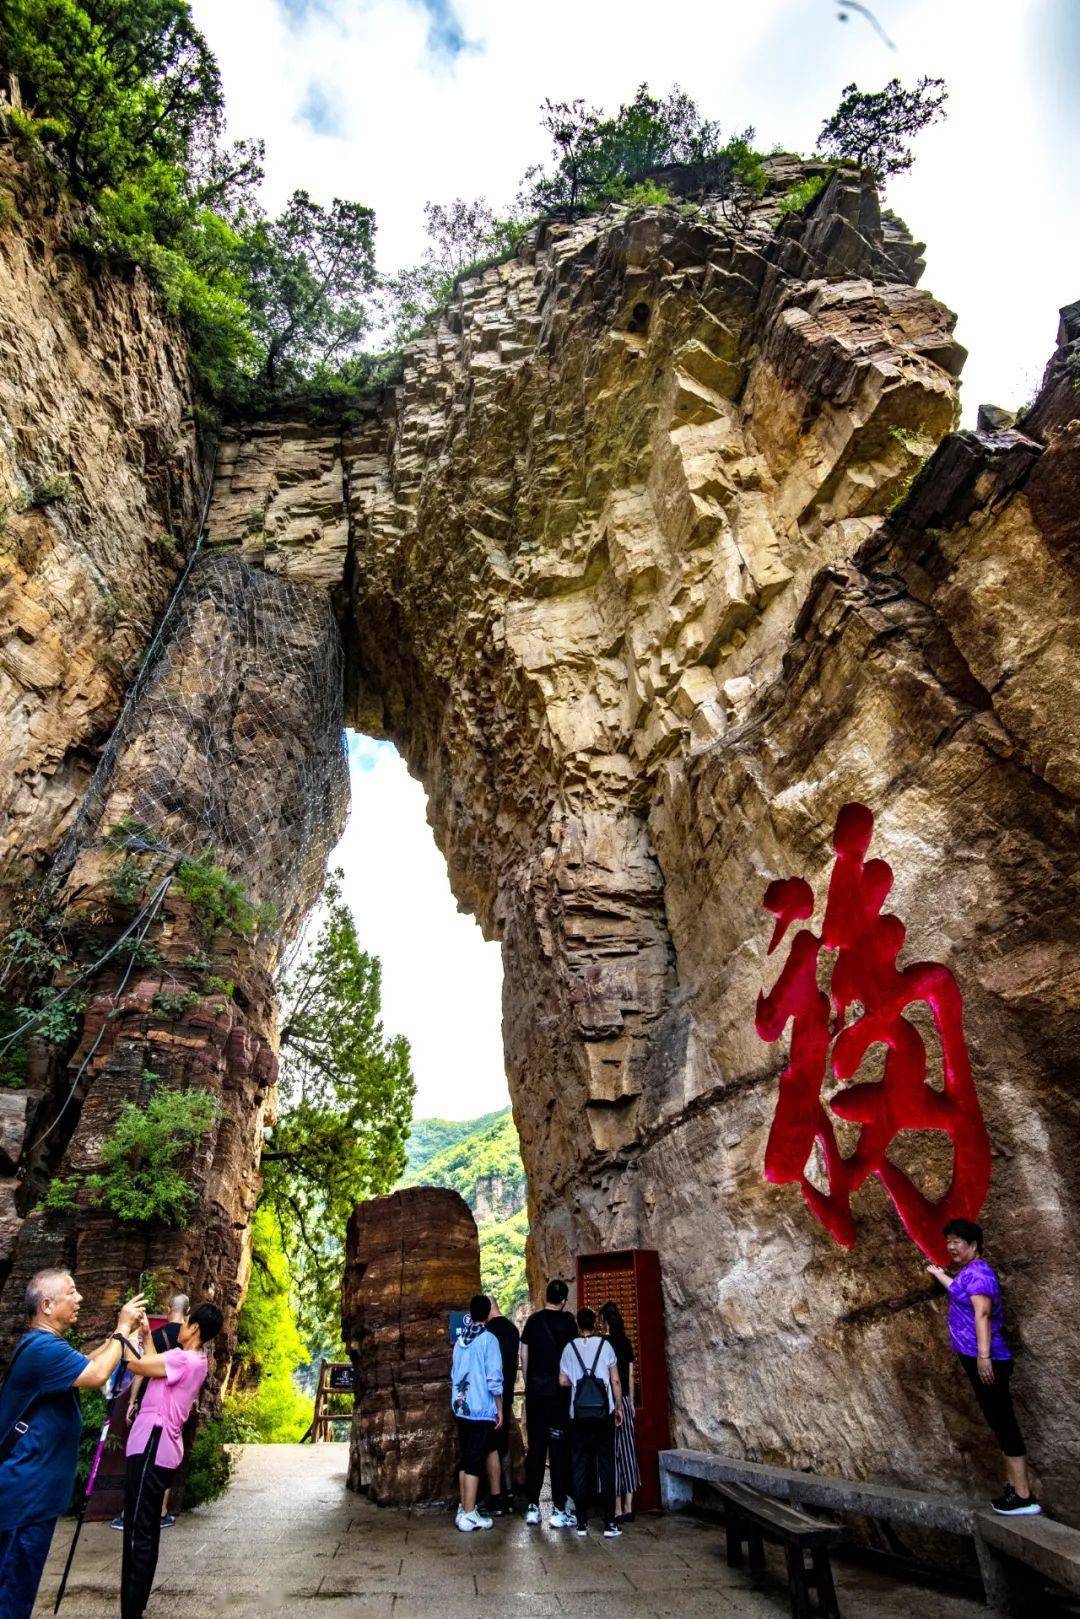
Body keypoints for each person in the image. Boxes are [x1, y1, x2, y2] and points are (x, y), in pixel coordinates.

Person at [0, 1270, 147, 1619]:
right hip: (26, 1496)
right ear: (48, 1305)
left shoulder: (46, 1346)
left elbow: (91, 1362)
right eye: (72, 1292)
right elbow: (97, 1376)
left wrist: (122, 1336)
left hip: (33, 1493)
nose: (79, 1298)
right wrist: (122, 1329)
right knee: (12, 1592)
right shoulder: (42, 1349)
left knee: (17, 1585)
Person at [926, 1218, 1040, 1516]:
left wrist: (984, 1355)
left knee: (1004, 1423)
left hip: (990, 1361)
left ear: (973, 1245)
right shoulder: (969, 1273)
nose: (951, 1246)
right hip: (979, 1358)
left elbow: (983, 1314)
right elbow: (961, 1295)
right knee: (997, 1421)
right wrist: (940, 1276)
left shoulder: (980, 1274)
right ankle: (1014, 1488)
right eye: (948, 1241)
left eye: (957, 1241)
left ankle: (1024, 1496)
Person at [120, 1299, 224, 1619]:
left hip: (153, 1442)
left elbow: (137, 1365)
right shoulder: (194, 1360)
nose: (180, 1326)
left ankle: (131, 1609)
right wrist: (145, 1333)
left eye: (185, 1322)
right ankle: (135, 1604)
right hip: (162, 1446)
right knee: (146, 1526)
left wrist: (123, 1332)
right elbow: (152, 1360)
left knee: (138, 1528)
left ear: (193, 1329)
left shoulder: (184, 1360)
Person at [111, 1293, 190, 1530]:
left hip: (151, 1403)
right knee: (165, 1457)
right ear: (187, 1312)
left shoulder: (156, 1335)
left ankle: (130, 1512)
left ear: (168, 1309)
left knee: (141, 1455)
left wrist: (132, 1401)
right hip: (176, 1406)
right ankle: (162, 1510)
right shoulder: (188, 1341)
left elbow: (140, 1370)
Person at [559, 1305, 623, 1539]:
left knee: (580, 1465)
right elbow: (615, 1379)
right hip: (603, 1413)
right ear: (595, 1324)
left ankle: (582, 1522)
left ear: (578, 1325)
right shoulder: (605, 1346)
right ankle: (609, 1522)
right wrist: (618, 1407)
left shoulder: (568, 1348)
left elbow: (562, 1381)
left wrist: (578, 1383)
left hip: (578, 1415)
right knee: (606, 1466)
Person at [520, 1278, 576, 1528]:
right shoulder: (569, 1323)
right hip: (559, 1395)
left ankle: (532, 1506)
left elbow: (524, 1354)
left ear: (546, 1297)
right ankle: (559, 1507)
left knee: (536, 1448)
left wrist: (530, 1380)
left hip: (536, 1393)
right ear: (563, 1300)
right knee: (558, 1450)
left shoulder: (533, 1321)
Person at [450, 1293, 503, 1533]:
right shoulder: (489, 1340)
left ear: (469, 1314)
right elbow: (494, 1379)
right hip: (481, 1408)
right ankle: (470, 1514)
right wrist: (499, 1408)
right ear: (489, 1313)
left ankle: (465, 1507)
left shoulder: (461, 1342)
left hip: (461, 1406)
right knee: (474, 1461)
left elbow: (454, 1374)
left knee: (466, 1458)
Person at [599, 1300, 641, 1523]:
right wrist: (630, 1403)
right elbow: (630, 1376)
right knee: (628, 1453)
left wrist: (615, 1404)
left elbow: (611, 1378)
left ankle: (615, 1507)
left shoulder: (604, 1345)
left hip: (611, 1403)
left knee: (611, 1454)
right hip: (625, 1400)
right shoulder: (625, 1342)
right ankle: (629, 1506)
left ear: (604, 1321)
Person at [482, 1297, 520, 1516]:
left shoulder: (487, 1334)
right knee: (504, 1445)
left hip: (489, 1398)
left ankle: (493, 1495)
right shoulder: (513, 1330)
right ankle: (509, 1492)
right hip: (507, 1395)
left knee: (489, 1448)